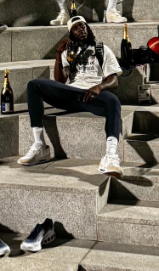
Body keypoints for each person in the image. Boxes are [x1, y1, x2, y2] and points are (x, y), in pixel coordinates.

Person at [19, 16, 124, 177]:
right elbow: (61, 79)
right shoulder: (69, 53)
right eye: (76, 28)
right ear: (71, 34)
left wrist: (99, 87)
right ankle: (40, 146)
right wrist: (58, 55)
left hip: (92, 96)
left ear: (88, 28)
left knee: (113, 101)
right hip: (70, 94)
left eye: (82, 26)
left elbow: (114, 80)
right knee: (34, 85)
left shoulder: (101, 49)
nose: (80, 29)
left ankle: (110, 156)